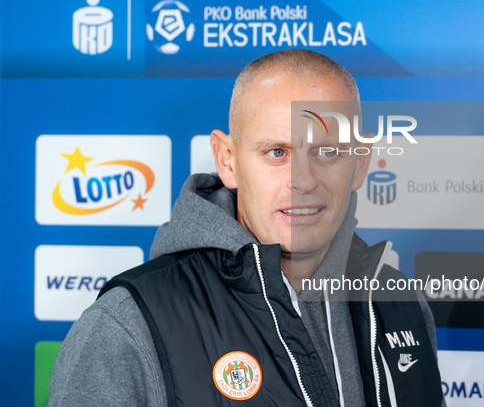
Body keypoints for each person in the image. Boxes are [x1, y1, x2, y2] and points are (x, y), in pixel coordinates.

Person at [49, 49, 445, 407]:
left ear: (360, 163)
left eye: (327, 151)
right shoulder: (129, 324)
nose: (302, 180)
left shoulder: (401, 305)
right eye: (277, 152)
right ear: (228, 160)